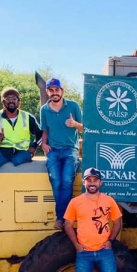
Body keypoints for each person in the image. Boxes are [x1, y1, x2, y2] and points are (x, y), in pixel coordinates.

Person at [63, 167, 133, 272]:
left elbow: (117, 221)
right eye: (89, 180)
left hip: (104, 251)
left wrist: (111, 241)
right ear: (84, 182)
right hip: (84, 252)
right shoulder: (75, 202)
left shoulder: (108, 201)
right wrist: (77, 245)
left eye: (95, 180)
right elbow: (67, 224)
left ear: (100, 182)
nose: (92, 183)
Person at [39, 78, 83, 230]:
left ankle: (64, 218)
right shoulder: (44, 110)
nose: (54, 92)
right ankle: (61, 218)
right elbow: (44, 130)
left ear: (62, 91)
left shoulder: (73, 106)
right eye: (51, 90)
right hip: (53, 150)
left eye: (57, 90)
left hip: (71, 150)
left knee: (66, 181)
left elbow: (85, 128)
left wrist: (75, 124)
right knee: (56, 181)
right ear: (47, 92)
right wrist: (43, 144)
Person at [0, 86, 42, 189]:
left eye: (14, 98)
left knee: (19, 159)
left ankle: (21, 158)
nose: (11, 101)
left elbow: (40, 134)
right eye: (8, 98)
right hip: (3, 152)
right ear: (3, 102)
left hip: (22, 151)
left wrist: (34, 147)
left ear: (18, 101)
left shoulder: (27, 116)